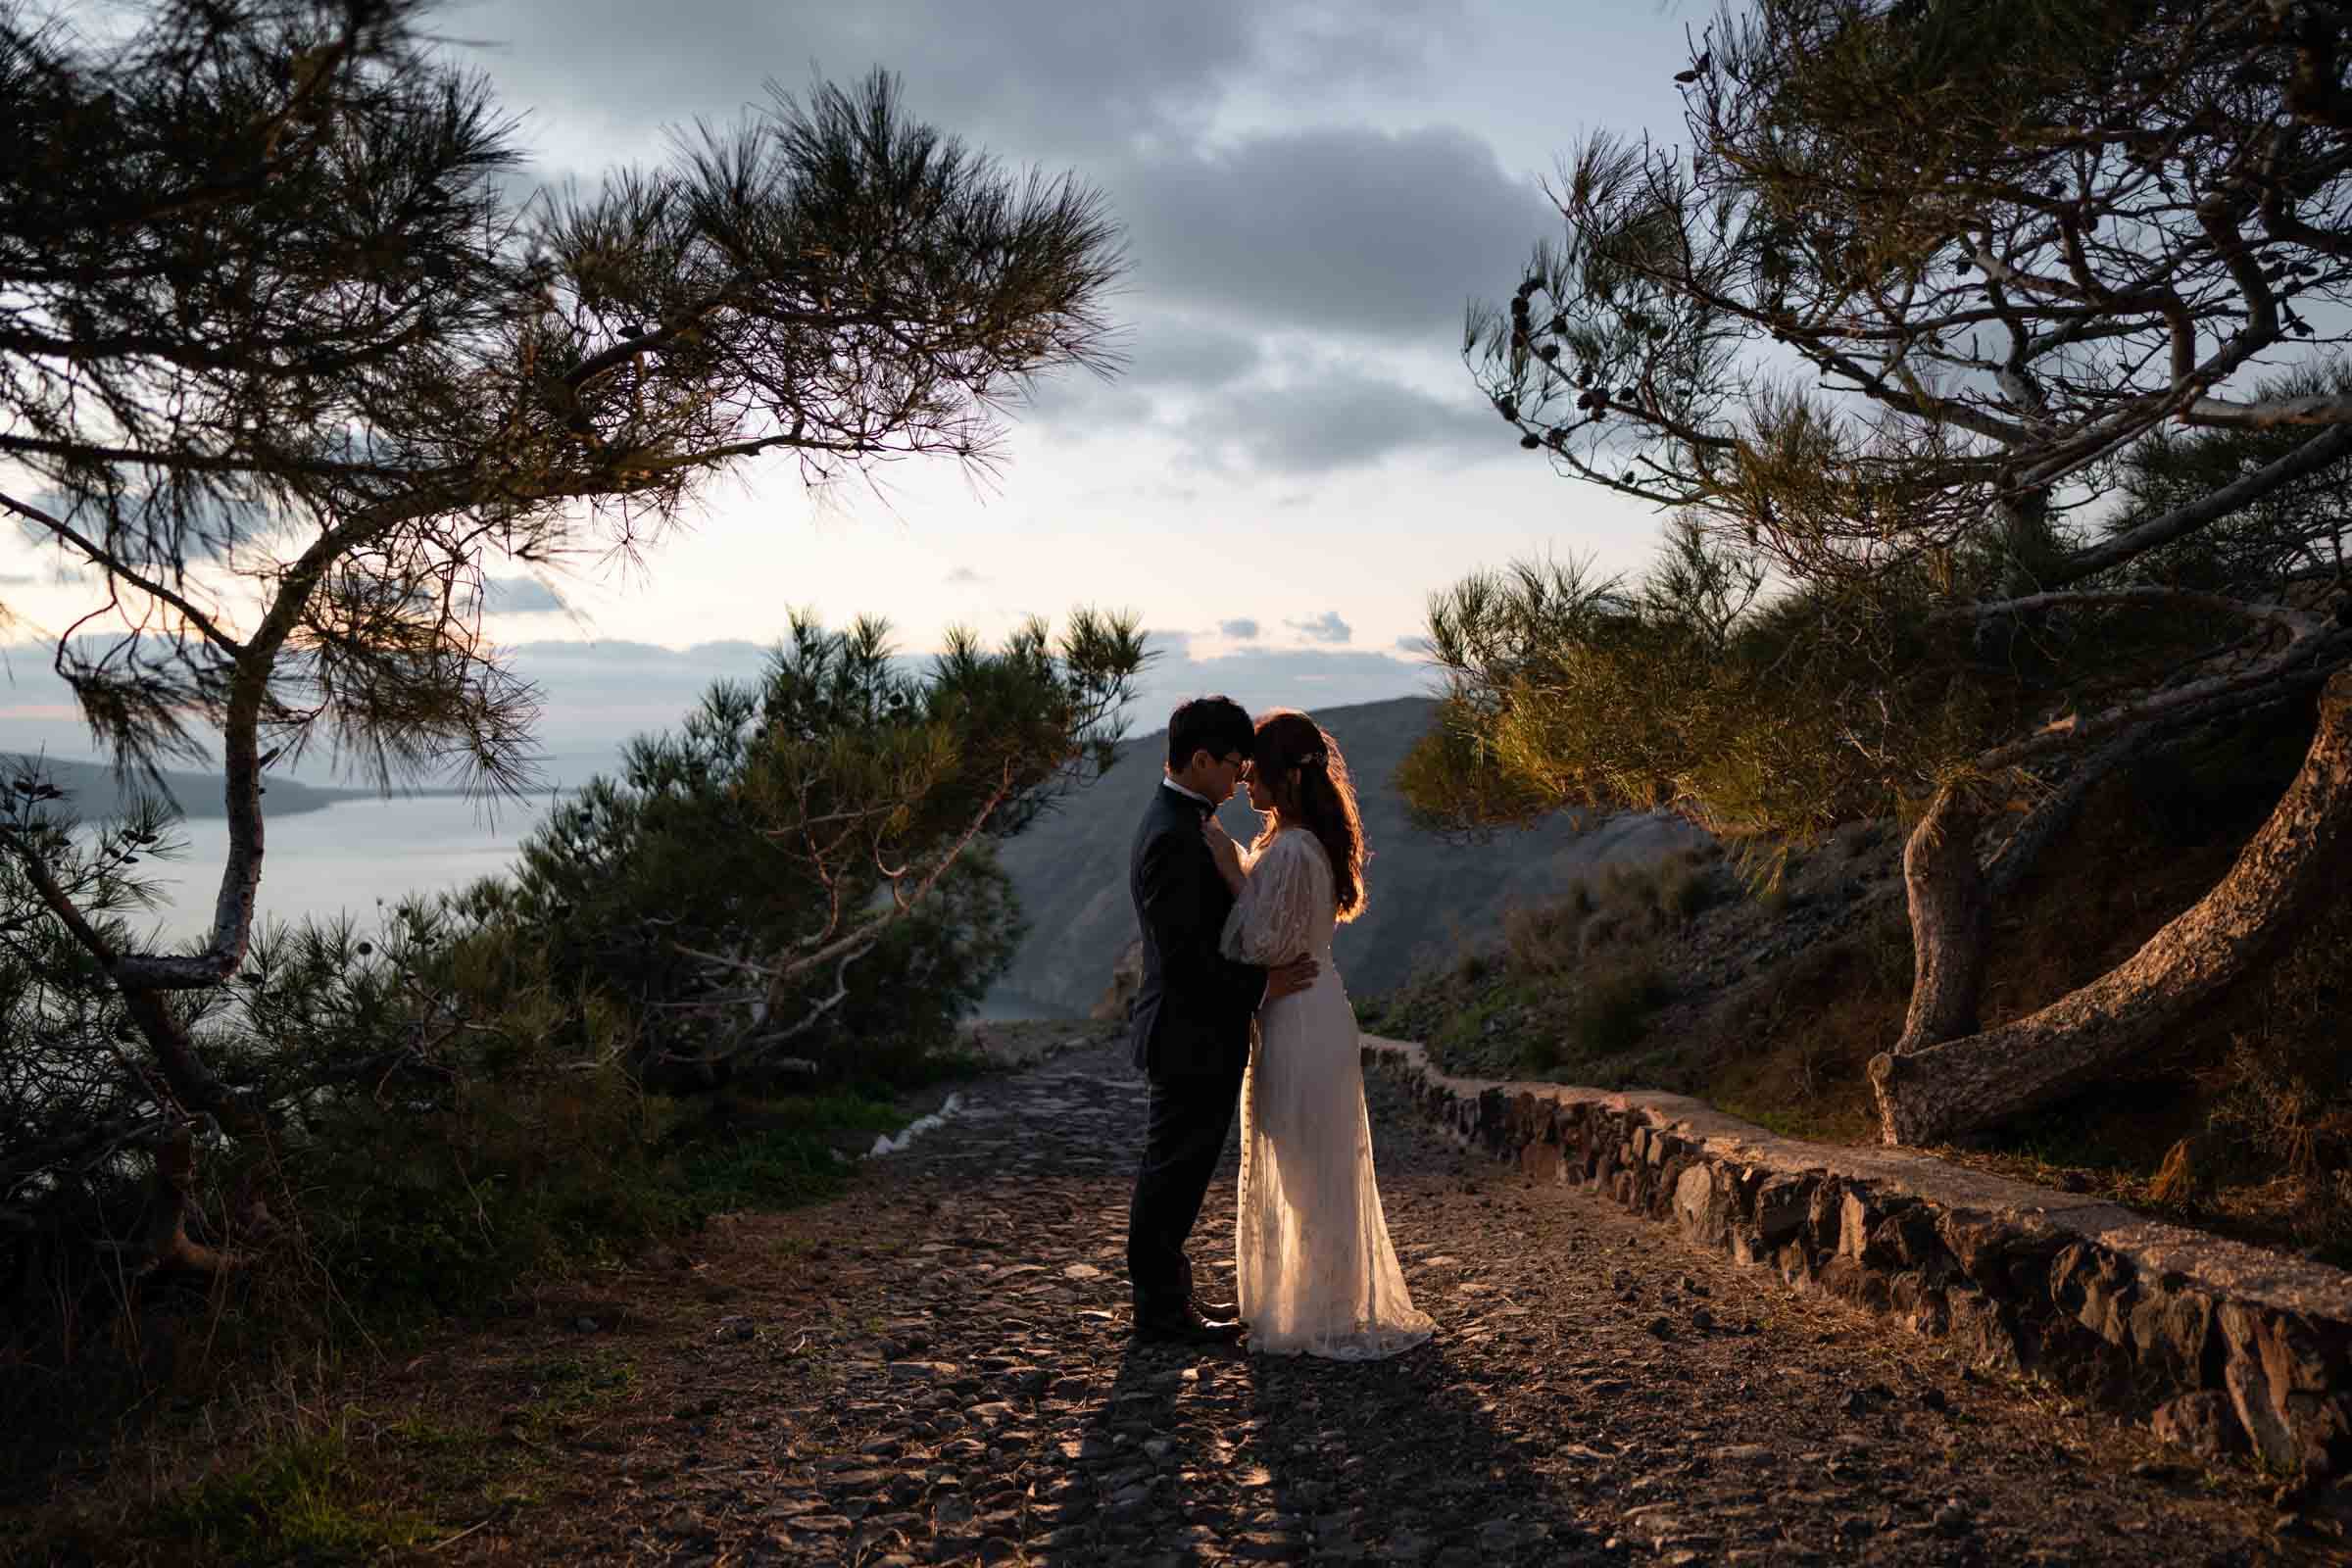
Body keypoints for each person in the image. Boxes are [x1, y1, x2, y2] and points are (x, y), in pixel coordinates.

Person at [1204, 709, 1435, 1360]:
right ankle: (1317, 1296)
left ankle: (1314, 1307)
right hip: (1311, 1007)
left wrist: (1228, 867)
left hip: (1299, 1013)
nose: (1246, 784)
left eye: (1255, 773)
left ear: (1284, 777)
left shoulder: (1295, 850)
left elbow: (1257, 939)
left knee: (1303, 1158)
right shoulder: (1299, 845)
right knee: (1309, 1155)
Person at [1125, 696, 1318, 1347]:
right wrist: (1264, 984)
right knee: (1172, 1173)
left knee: (1177, 1172)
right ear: (1201, 759)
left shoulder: (1185, 822)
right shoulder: (1174, 835)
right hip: (1188, 1036)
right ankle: (1158, 1311)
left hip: (1197, 1034)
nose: (1242, 778)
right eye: (1235, 764)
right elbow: (1186, 960)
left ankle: (1166, 1301)